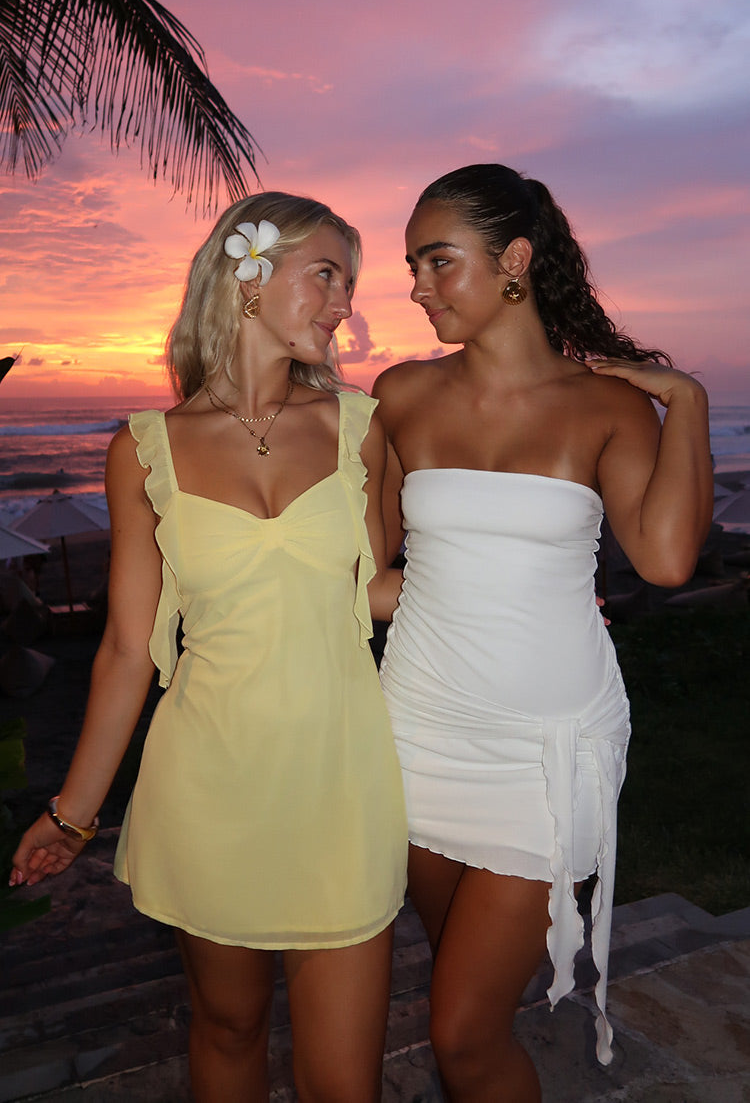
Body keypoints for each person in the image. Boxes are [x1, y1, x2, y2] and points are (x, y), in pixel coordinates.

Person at [10, 193, 407, 1103]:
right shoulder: (143, 449)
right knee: (227, 1030)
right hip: (209, 784)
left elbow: (378, 591)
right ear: (250, 275)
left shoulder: (362, 426)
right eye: (327, 274)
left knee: (345, 1083)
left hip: (342, 784)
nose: (344, 301)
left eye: (350, 281)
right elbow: (126, 648)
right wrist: (74, 815)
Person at [373, 164, 713, 1102]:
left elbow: (667, 560)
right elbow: (365, 579)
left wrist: (687, 401)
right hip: (420, 727)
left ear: (514, 259)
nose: (416, 286)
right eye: (413, 265)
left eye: (439, 261)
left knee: (462, 1032)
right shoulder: (399, 396)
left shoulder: (607, 406)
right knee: (459, 979)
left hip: (546, 746)